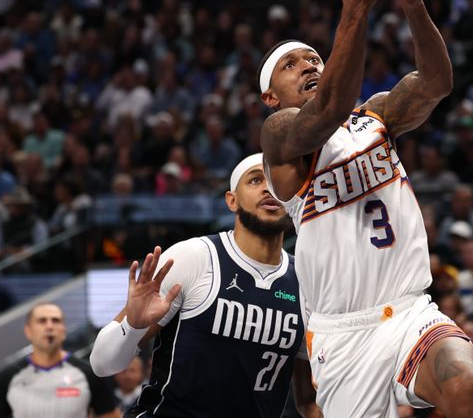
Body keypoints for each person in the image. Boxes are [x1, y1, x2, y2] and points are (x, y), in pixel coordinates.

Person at [259, 0, 473, 417]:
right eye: (290, 64)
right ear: (270, 96)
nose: (307, 64)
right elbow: (327, 109)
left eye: (314, 57)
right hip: (343, 335)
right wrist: (356, 5)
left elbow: (435, 83)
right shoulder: (280, 137)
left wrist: (411, 5)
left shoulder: (377, 116)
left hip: (411, 311)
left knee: (465, 381)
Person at [90, 154, 320, 417]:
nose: (269, 187)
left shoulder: (306, 279)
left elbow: (309, 402)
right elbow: (102, 364)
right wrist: (132, 326)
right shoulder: (193, 257)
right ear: (232, 200)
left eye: (277, 180)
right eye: (255, 180)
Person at [0, 303, 119, 418]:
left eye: (55, 321)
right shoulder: (7, 378)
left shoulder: (89, 374)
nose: (49, 326)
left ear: (64, 330)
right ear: (28, 331)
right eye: (42, 321)